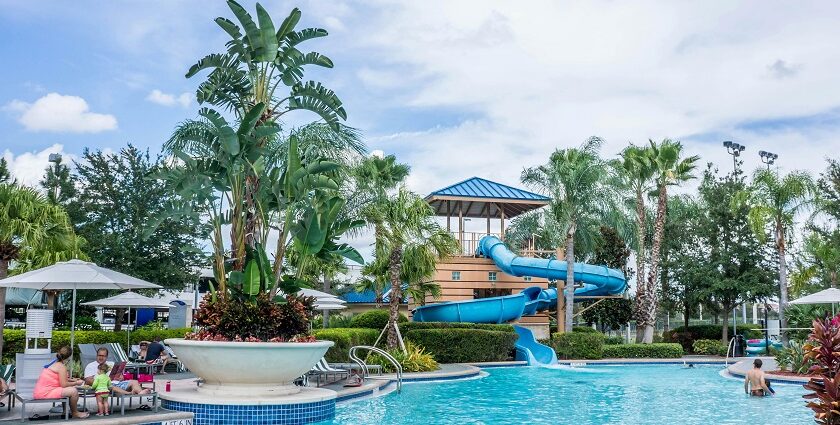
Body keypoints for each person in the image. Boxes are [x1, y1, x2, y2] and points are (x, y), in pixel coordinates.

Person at [33, 346, 89, 419]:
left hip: (41, 391)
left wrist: (73, 380)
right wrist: (76, 383)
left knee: (68, 389)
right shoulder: (62, 367)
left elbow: (59, 378)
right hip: (45, 393)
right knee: (73, 391)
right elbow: (64, 384)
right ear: (69, 357)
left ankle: (65, 412)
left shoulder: (54, 363)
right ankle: (75, 413)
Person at [84, 347, 150, 395]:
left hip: (117, 383)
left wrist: (121, 377)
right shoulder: (91, 366)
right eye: (99, 355)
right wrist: (103, 382)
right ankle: (129, 393)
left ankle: (140, 393)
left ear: (106, 357)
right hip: (105, 385)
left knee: (134, 381)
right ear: (96, 355)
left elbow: (120, 375)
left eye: (103, 356)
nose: (101, 357)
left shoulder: (111, 364)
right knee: (112, 386)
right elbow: (88, 380)